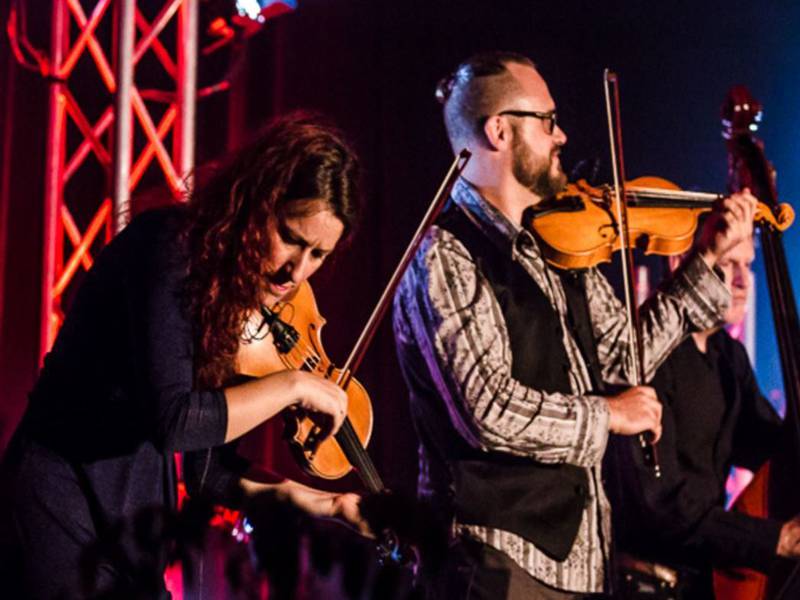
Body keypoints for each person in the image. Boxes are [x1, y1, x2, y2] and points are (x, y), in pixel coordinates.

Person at [391, 51, 757, 599]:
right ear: (499, 130)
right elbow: (489, 412)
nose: (561, 136)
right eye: (547, 120)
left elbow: (622, 359)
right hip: (496, 561)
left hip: (583, 563)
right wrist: (610, 414)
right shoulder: (446, 255)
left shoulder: (556, 244)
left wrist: (705, 263)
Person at [0, 113, 368, 599]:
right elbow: (175, 421)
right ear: (255, 202)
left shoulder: (230, 299)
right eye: (291, 238)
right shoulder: (168, 248)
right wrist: (294, 385)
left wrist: (330, 505)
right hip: (57, 502)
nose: (295, 272)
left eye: (317, 255)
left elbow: (209, 475)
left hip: (126, 530)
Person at [609, 234, 800, 599]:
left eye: (748, 265)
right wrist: (775, 540)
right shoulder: (652, 356)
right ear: (683, 262)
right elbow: (659, 506)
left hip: (700, 582)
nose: (744, 281)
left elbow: (774, 449)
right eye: (729, 265)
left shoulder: (728, 357)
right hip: (646, 587)